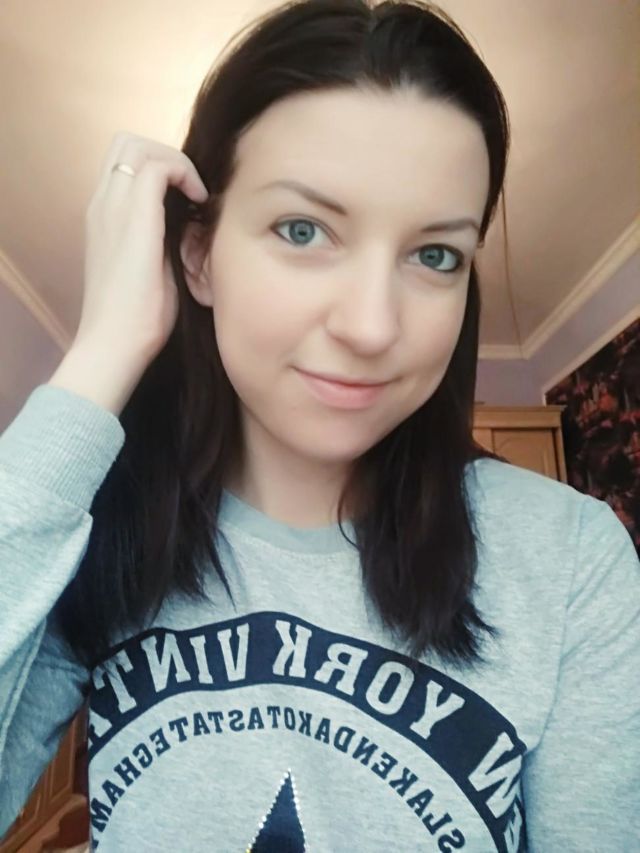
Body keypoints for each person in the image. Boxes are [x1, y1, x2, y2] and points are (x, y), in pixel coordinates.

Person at [1, 0, 638, 850]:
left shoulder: (570, 558)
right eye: (303, 230)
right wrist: (104, 348)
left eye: (435, 254)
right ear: (198, 255)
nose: (372, 326)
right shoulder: (101, 529)